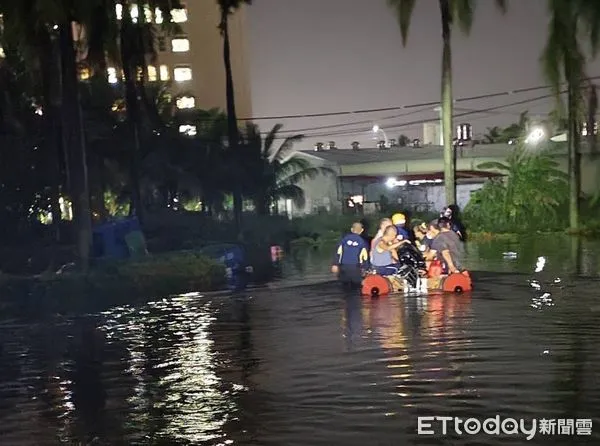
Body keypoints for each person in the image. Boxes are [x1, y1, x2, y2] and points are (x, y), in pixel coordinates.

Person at [331, 222, 370, 287]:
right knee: (357, 287)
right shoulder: (363, 242)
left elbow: (338, 252)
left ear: (352, 229)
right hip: (355, 268)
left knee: (344, 287)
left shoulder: (343, 240)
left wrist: (335, 264)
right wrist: (366, 268)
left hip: (343, 267)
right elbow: (365, 257)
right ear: (362, 230)